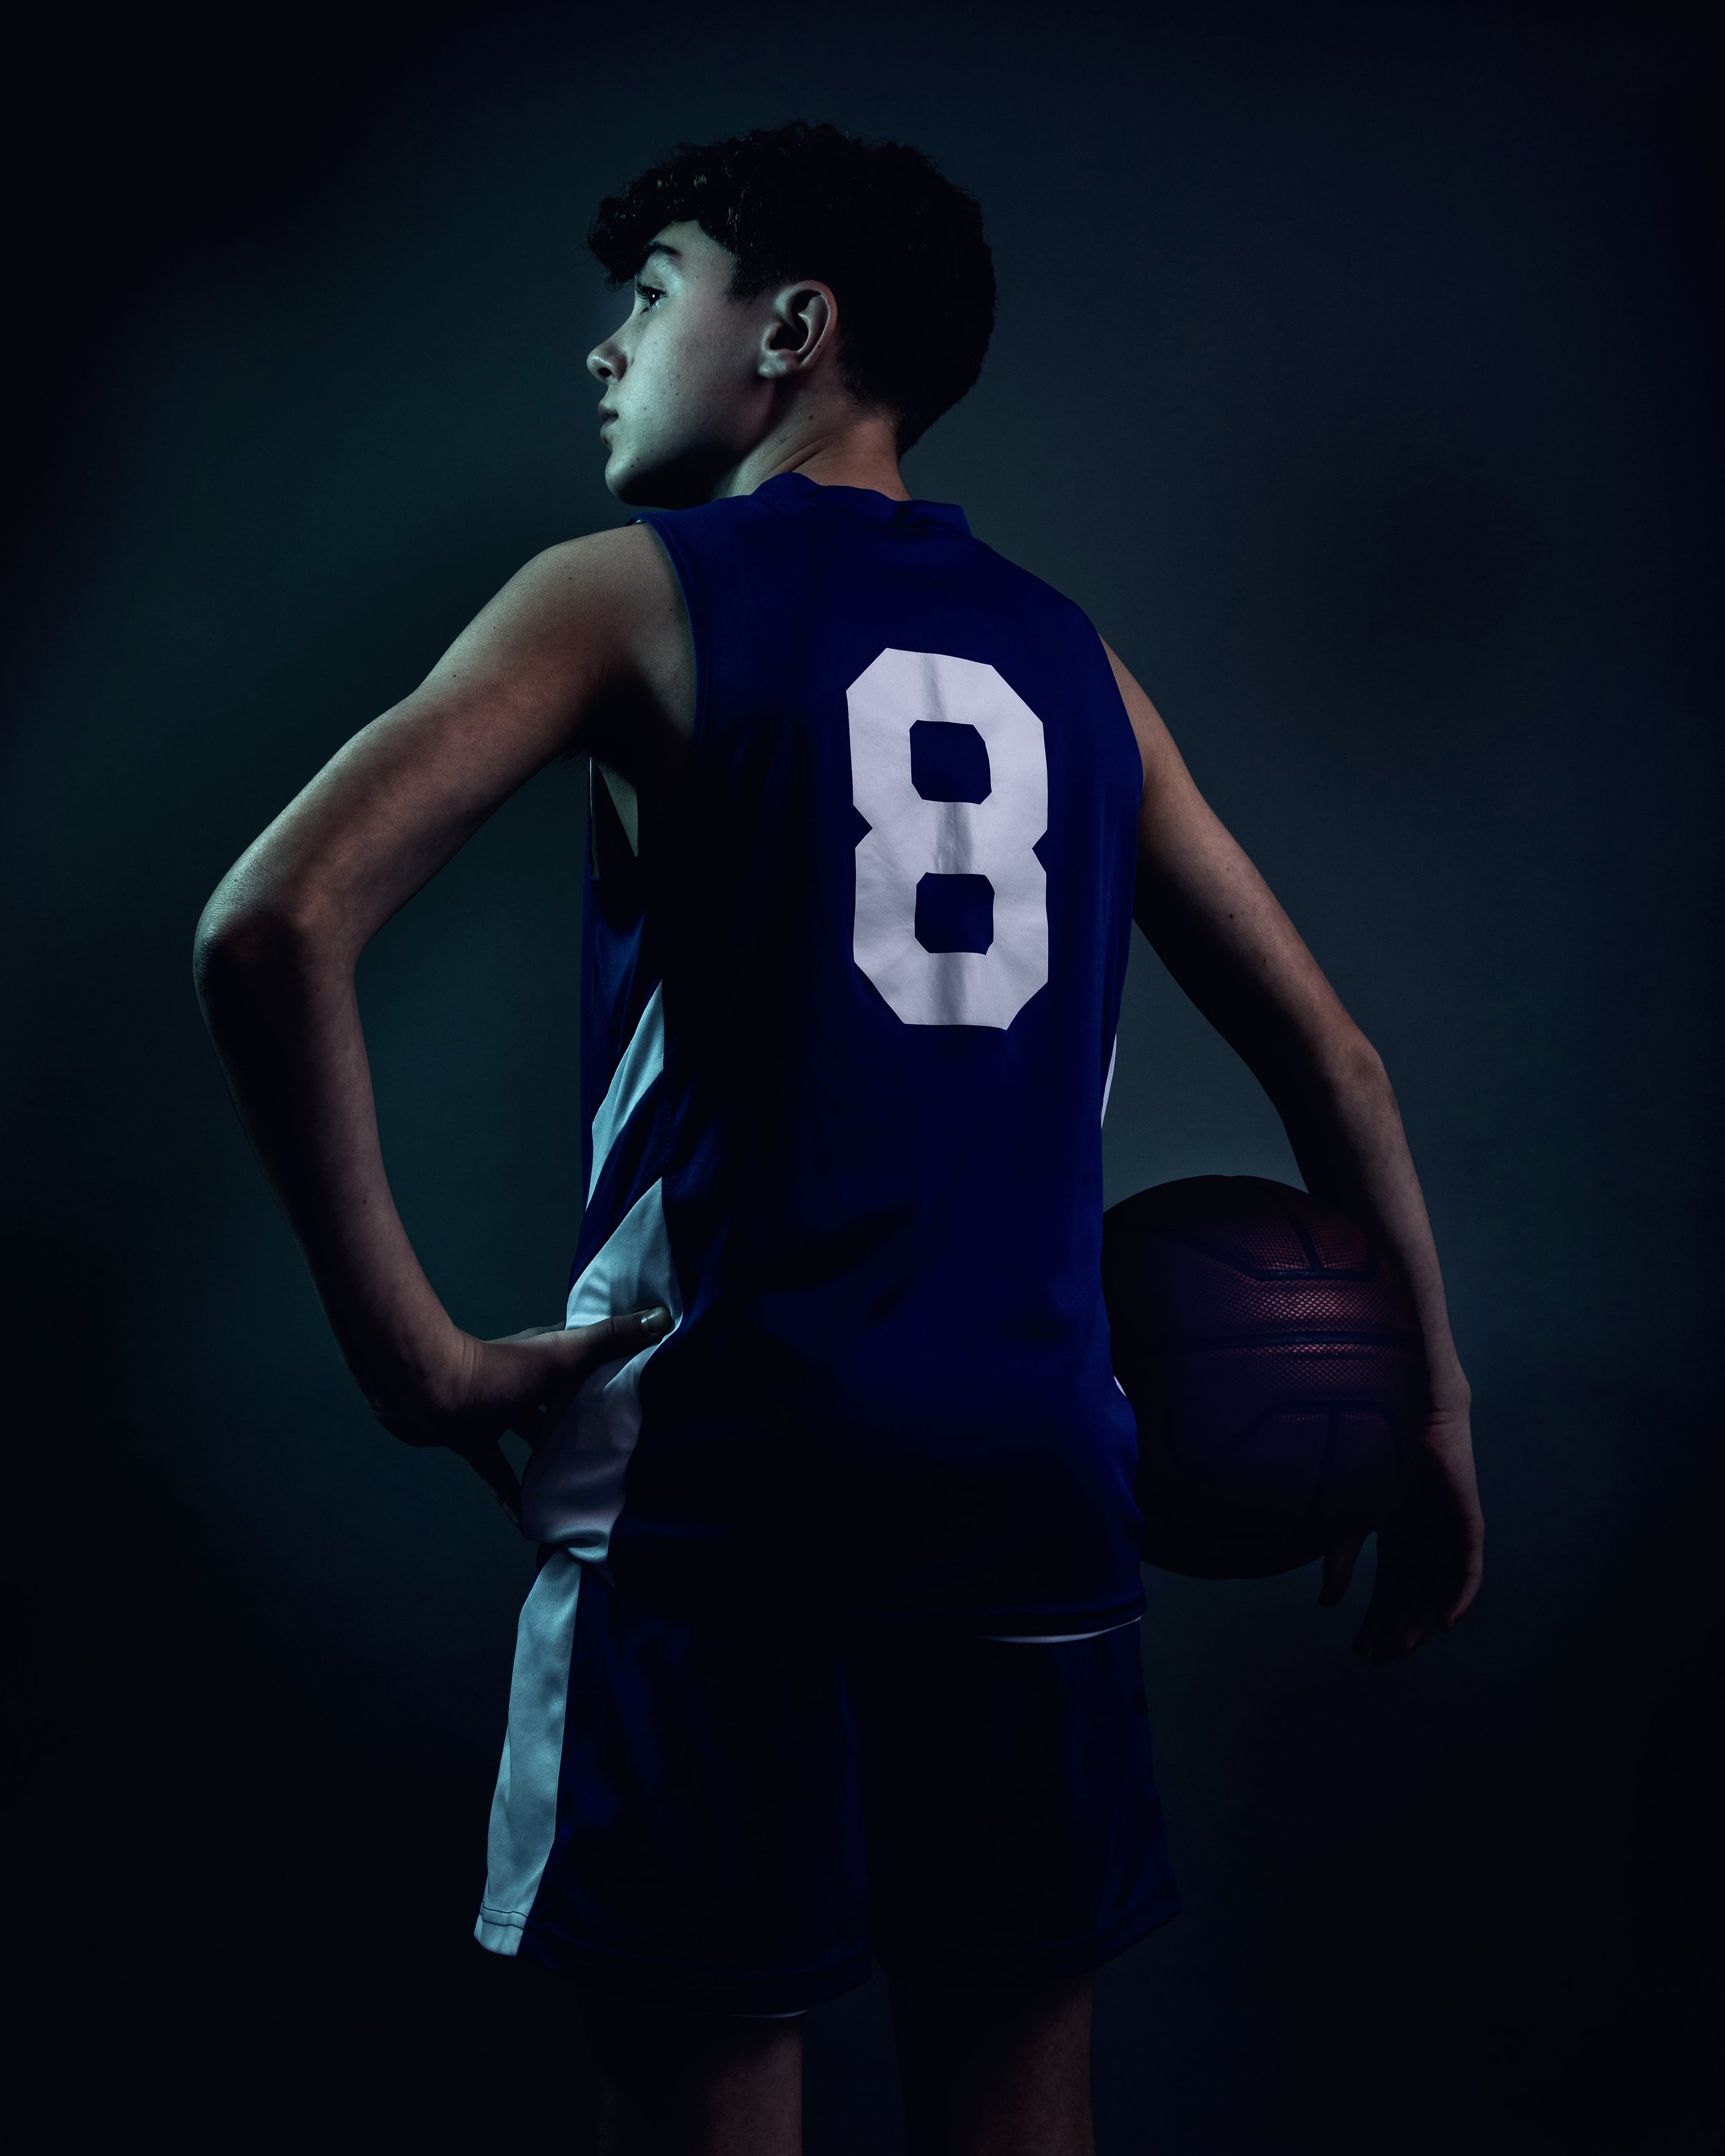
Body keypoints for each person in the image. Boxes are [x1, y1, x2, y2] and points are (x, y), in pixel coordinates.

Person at [195, 121, 1482, 2156]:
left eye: (651, 297)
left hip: (725, 1487)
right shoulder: (1074, 662)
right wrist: (1427, 1411)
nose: (606, 350)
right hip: (1032, 1485)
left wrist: (413, 1361)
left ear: (790, 329)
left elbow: (271, 922)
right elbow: (1339, 1064)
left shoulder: (627, 598)